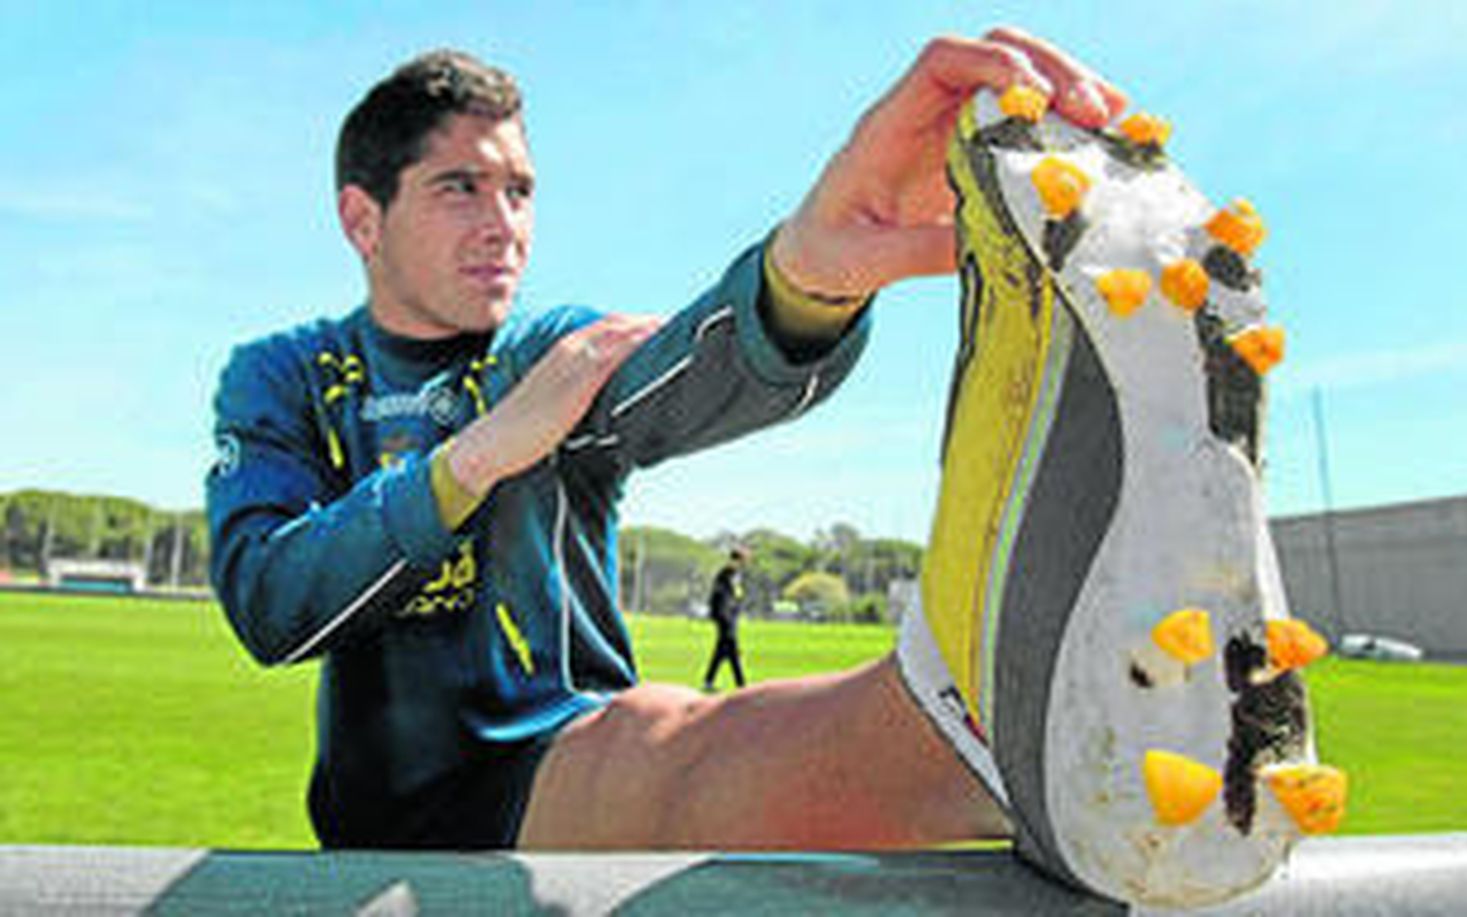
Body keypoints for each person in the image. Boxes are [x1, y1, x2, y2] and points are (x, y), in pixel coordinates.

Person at [207, 25, 1330, 906]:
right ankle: (1002, 727)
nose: (503, 220)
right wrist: (476, 458)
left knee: (662, 733)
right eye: (460, 186)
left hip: (574, 762)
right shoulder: (283, 374)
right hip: (381, 819)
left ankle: (1002, 729)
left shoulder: (546, 347)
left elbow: (673, 372)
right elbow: (270, 599)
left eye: (521, 189)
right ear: (363, 216)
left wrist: (807, 275)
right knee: (649, 741)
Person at [701, 547, 749, 691]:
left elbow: (736, 596)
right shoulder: (726, 574)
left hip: (730, 616)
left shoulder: (734, 574)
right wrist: (724, 617)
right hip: (725, 617)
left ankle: (709, 681)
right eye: (743, 560)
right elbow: (720, 598)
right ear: (738, 559)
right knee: (732, 649)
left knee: (722, 650)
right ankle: (741, 685)